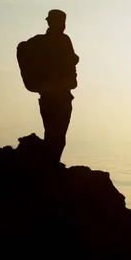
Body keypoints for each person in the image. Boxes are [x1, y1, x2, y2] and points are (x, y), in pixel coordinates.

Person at [33, 9, 79, 163]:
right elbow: (68, 61)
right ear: (50, 22)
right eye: (61, 21)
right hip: (56, 96)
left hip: (53, 96)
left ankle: (51, 166)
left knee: (54, 134)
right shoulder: (58, 41)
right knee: (56, 136)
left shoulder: (40, 42)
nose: (63, 25)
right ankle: (50, 168)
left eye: (64, 21)